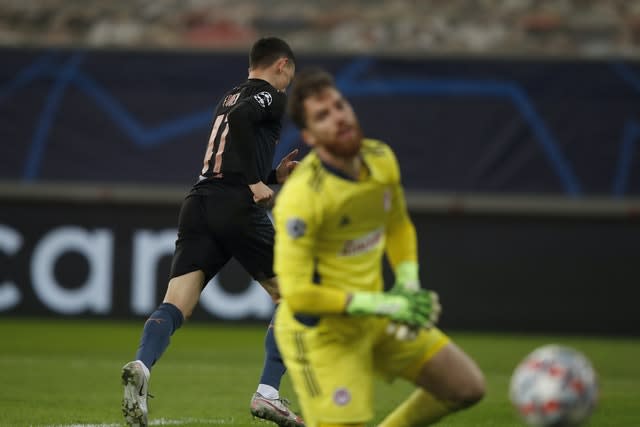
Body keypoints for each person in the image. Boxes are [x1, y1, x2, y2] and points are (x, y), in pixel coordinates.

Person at [272, 68, 486, 427]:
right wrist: (385, 303)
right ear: (310, 136)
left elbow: (397, 223)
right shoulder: (302, 197)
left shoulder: (380, 158)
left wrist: (407, 282)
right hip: (323, 336)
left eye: (340, 106)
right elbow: (297, 294)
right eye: (323, 116)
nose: (338, 117)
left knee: (465, 386)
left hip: (375, 316)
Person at [121, 37, 304, 427]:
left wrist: (273, 176)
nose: (289, 82)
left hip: (199, 202)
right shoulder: (268, 95)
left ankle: (142, 363)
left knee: (177, 304)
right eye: (290, 73)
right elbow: (242, 125)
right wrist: (257, 183)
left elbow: (230, 150)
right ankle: (268, 394)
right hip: (235, 203)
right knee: (294, 296)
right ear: (282, 64)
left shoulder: (230, 95)